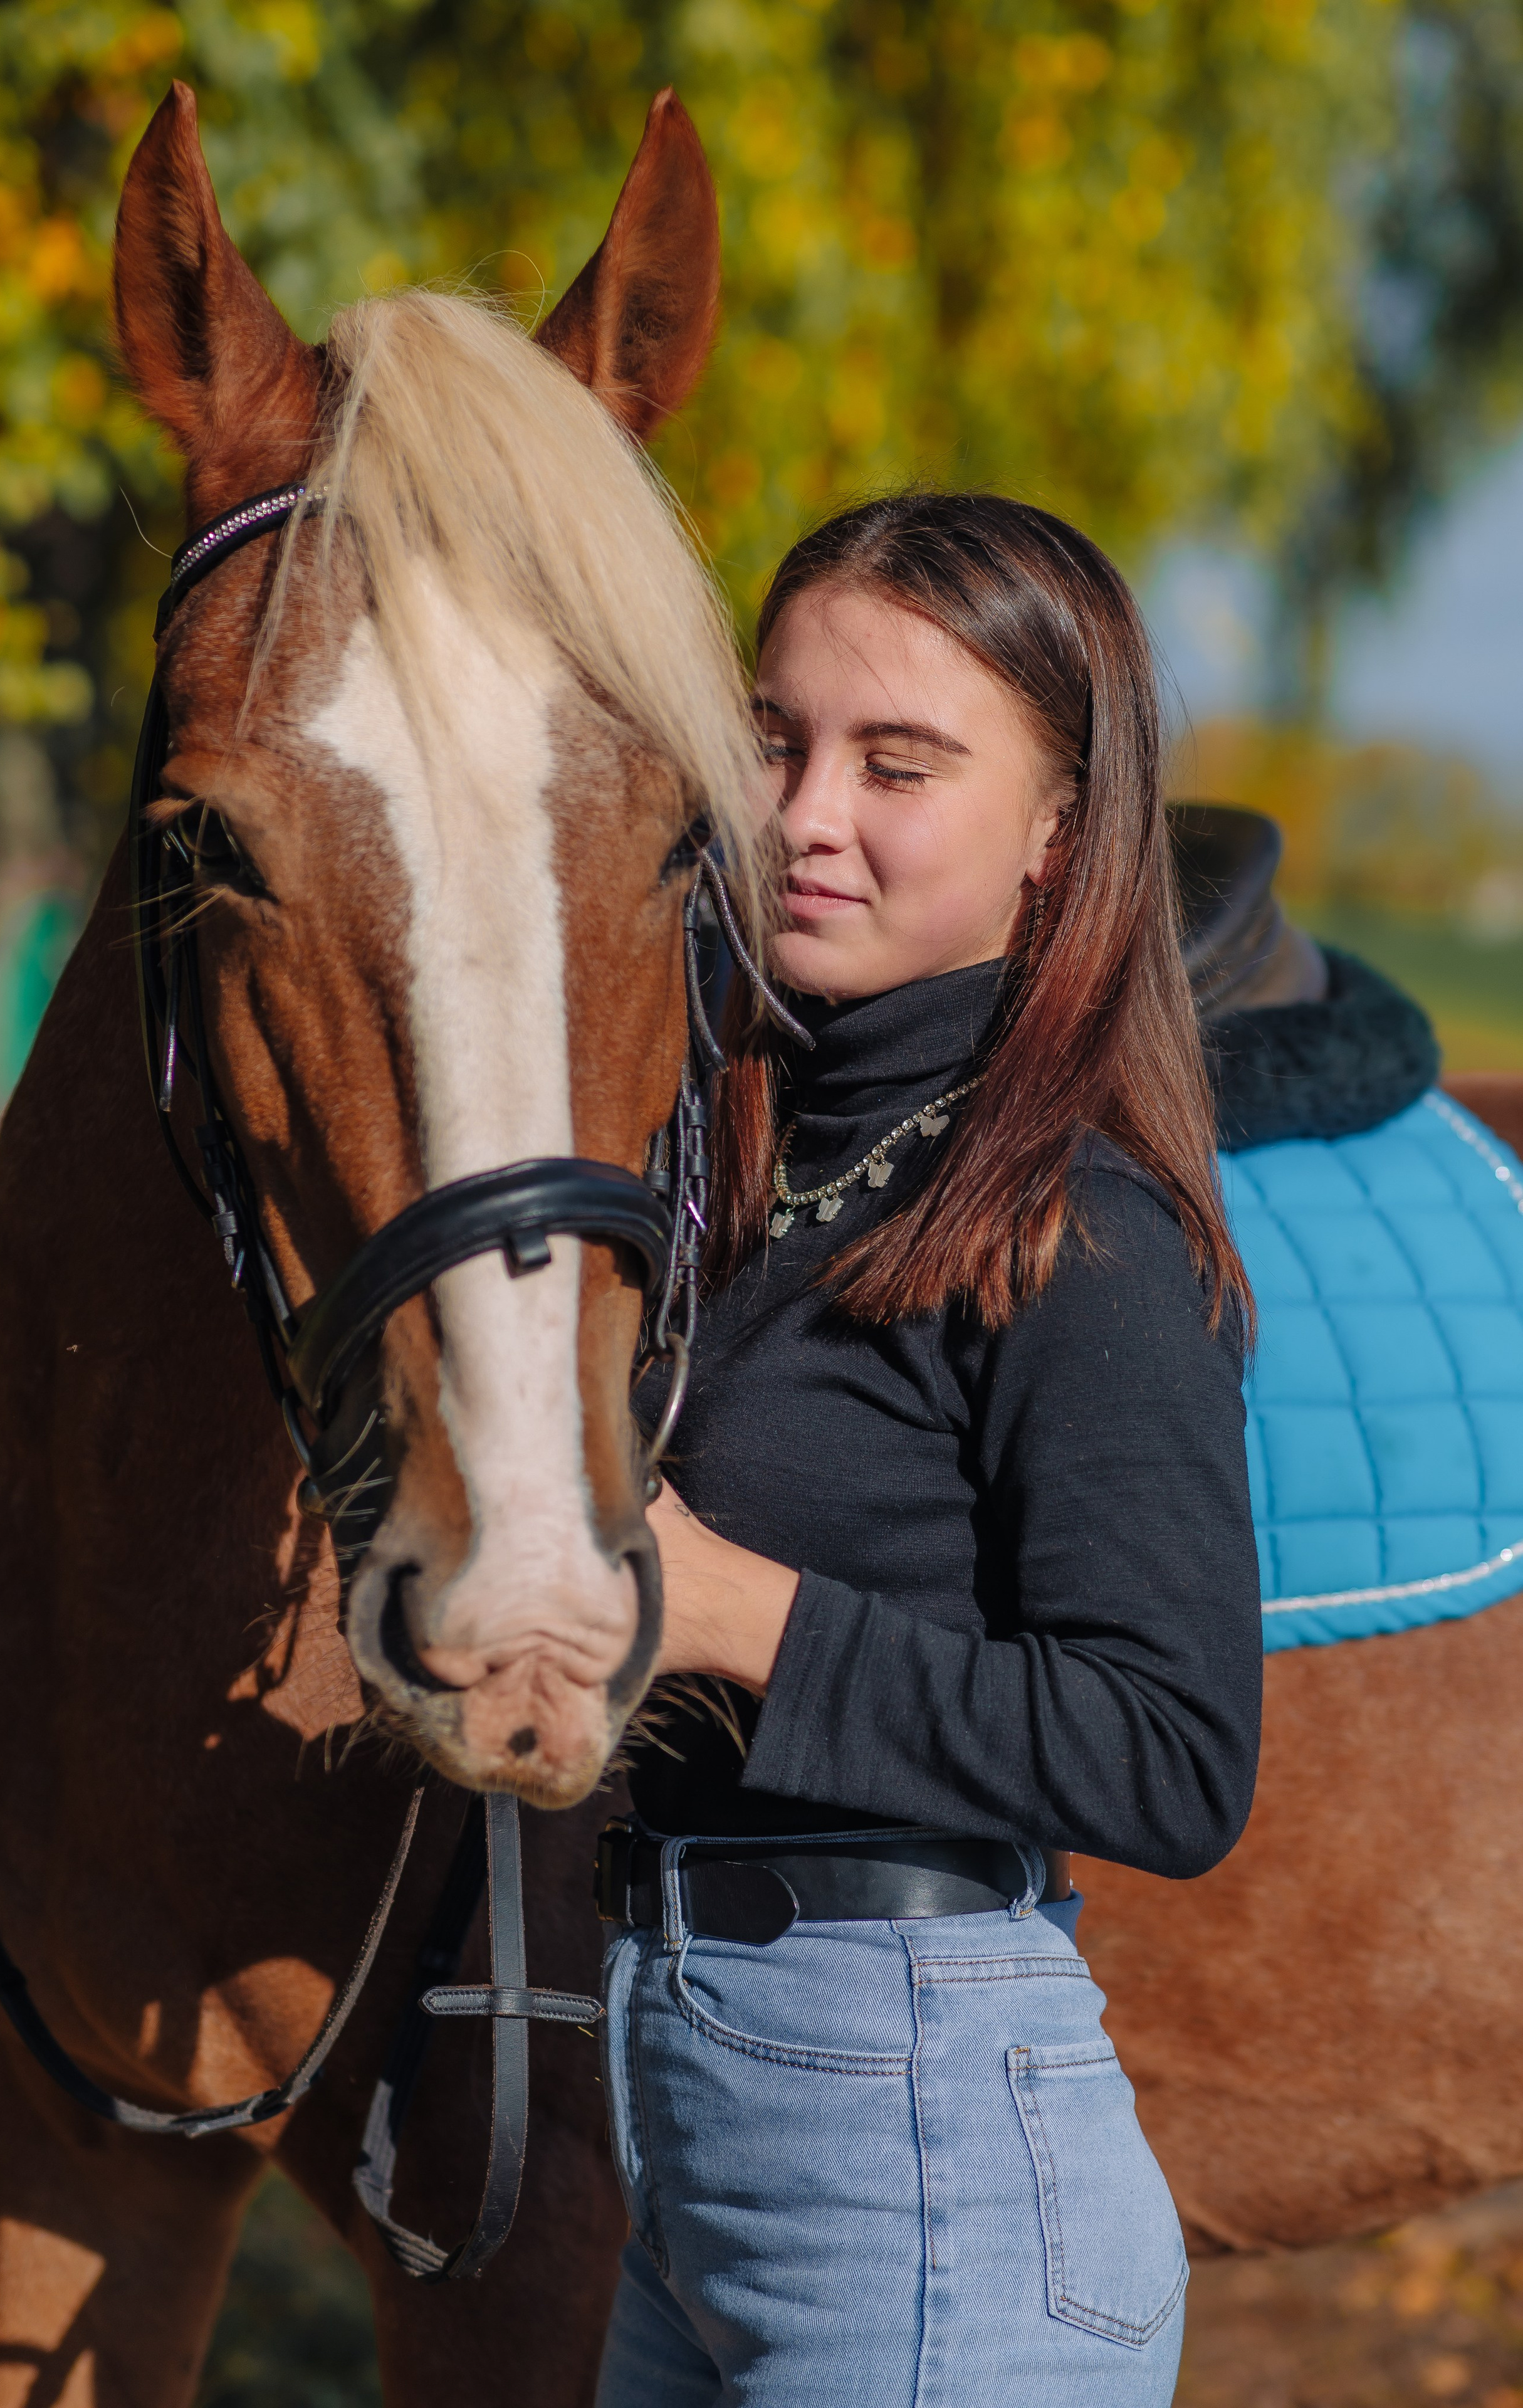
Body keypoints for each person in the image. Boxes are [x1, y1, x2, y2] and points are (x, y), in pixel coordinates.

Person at [594, 492, 1262, 2407]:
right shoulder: (747, 1163)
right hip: (683, 2139)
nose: (805, 814)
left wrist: (737, 1614)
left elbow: (1174, 1751)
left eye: (899, 764)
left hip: (927, 2166)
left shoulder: (1089, 1233)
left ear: (1058, 836)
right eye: (775, 738)